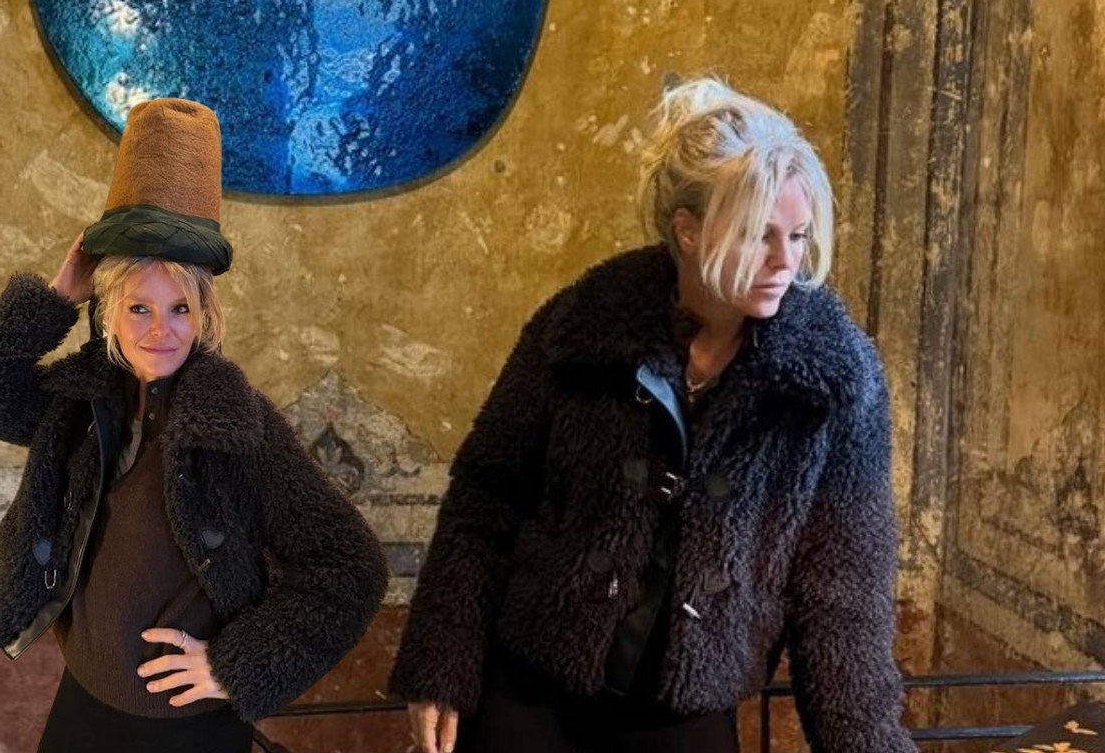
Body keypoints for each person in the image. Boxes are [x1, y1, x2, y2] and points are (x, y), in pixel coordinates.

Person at [389, 77, 916, 753]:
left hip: (685, 707)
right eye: (758, 236)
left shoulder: (835, 383)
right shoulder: (579, 330)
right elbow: (484, 499)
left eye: (799, 234)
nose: (787, 262)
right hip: (531, 689)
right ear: (687, 231)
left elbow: (845, 587)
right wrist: (441, 664)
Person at [0, 98, 388, 752]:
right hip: (81, 710)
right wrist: (56, 297)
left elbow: (351, 566)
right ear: (107, 310)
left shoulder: (237, 425)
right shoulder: (82, 405)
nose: (159, 331)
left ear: (205, 314)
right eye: (138, 307)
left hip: (186, 733)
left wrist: (236, 666)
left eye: (180, 308)